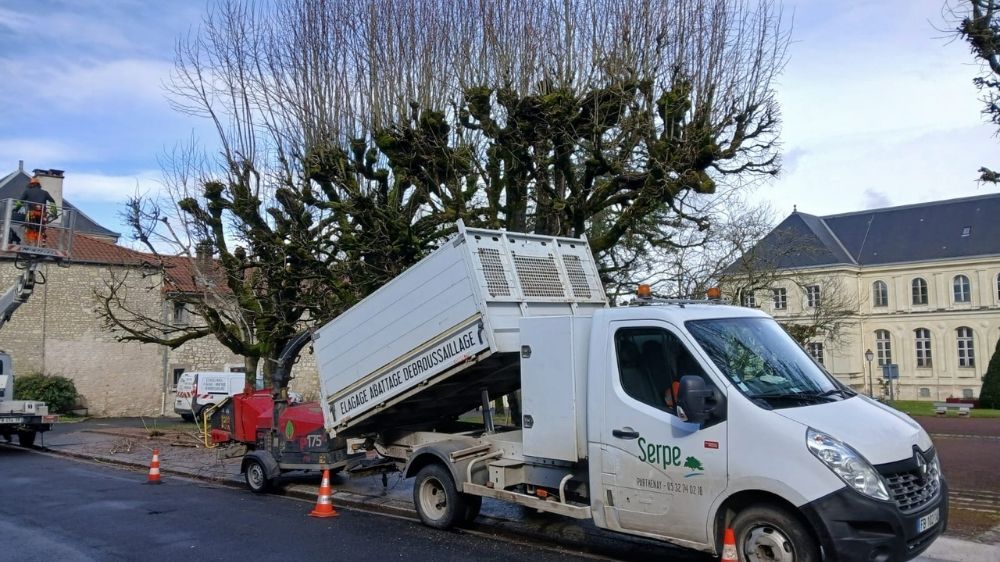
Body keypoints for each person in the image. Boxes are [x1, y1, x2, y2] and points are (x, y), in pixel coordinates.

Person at [17, 177, 56, 245]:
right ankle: (40, 242)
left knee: (30, 227)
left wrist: (16, 209)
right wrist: (54, 212)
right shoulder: (45, 192)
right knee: (41, 228)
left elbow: (19, 202)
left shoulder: (27, 191)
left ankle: (31, 241)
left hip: (31, 213)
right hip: (42, 214)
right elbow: (52, 201)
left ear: (31, 184)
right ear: (38, 185)